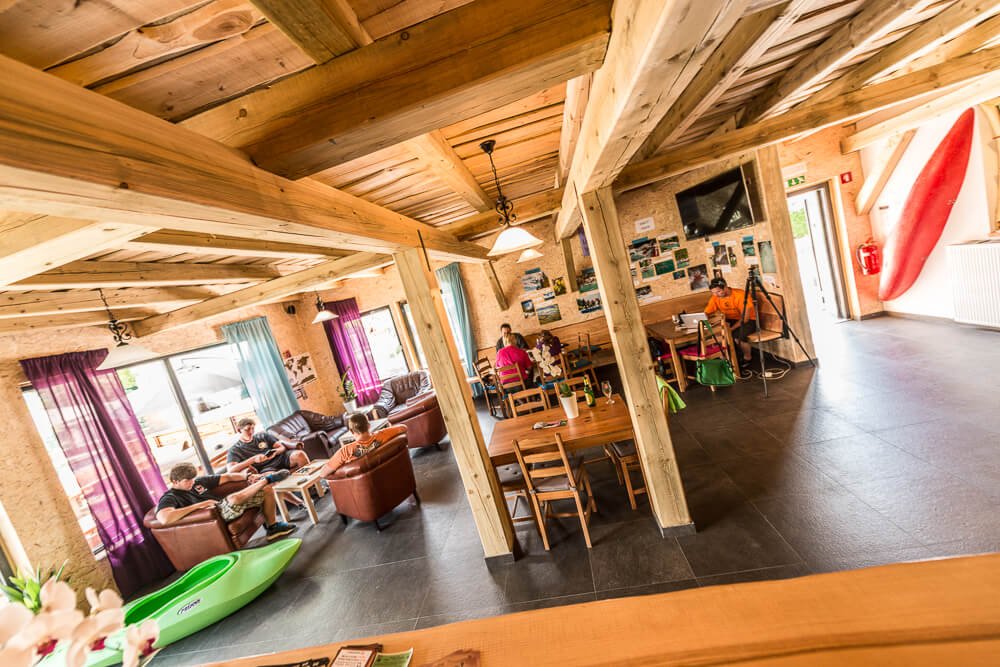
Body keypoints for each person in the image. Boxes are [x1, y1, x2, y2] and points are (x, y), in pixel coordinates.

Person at [155, 462, 296, 541]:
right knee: (234, 498)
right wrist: (201, 505)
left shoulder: (197, 482)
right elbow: (164, 518)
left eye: (193, 479)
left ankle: (273, 527)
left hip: (227, 506)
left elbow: (227, 477)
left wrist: (247, 476)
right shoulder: (170, 497)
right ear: (175, 481)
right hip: (215, 516)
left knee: (267, 490)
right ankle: (267, 479)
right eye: (188, 481)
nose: (192, 482)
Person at [320, 414, 408, 476]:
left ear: (351, 431)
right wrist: (380, 432)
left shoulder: (345, 451)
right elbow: (403, 427)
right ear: (368, 426)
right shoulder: (382, 435)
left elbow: (323, 473)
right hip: (390, 474)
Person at [227, 418, 309, 475]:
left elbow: (281, 447)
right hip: (265, 468)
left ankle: (312, 485)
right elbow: (231, 470)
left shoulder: (262, 435)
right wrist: (253, 459)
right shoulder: (235, 449)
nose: (251, 432)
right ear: (239, 430)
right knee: (272, 476)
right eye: (247, 429)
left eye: (253, 428)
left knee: (300, 454)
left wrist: (275, 452)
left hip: (280, 458)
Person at [704, 277, 755, 366]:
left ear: (725, 287)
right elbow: (706, 312)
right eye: (713, 292)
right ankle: (726, 360)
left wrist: (730, 329)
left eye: (718, 291)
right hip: (729, 320)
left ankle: (747, 358)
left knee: (738, 336)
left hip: (749, 320)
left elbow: (745, 318)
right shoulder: (715, 297)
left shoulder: (740, 295)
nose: (716, 295)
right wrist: (703, 319)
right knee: (716, 335)